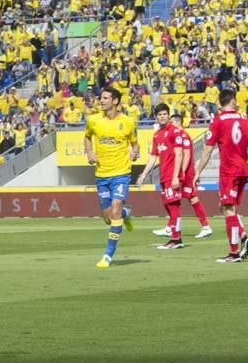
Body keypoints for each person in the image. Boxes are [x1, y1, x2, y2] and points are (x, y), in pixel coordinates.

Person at [195, 89, 248, 263]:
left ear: (220, 103)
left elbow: (208, 149)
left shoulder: (218, 121)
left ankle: (234, 253)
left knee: (228, 209)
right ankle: (243, 237)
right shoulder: (245, 120)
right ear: (233, 101)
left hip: (228, 171)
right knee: (225, 206)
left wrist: (197, 172)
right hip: (243, 170)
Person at [84, 86, 139, 268]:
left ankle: (108, 255)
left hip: (121, 174)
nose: (101, 100)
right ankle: (126, 212)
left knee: (114, 210)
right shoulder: (93, 121)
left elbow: (135, 144)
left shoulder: (128, 122)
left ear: (115, 101)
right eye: (101, 98)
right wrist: (90, 153)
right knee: (108, 218)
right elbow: (87, 137)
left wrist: (134, 153)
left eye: (105, 98)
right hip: (102, 175)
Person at [154, 112, 212, 239]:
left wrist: (183, 172)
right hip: (180, 172)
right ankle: (171, 227)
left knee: (190, 199)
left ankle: (205, 226)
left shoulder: (183, 136)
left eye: (172, 122)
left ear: (178, 122)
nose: (170, 124)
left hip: (185, 173)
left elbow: (185, 155)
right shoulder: (175, 135)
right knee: (174, 198)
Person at [136, 103, 186, 249]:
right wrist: (144, 174)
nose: (162, 117)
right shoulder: (157, 135)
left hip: (173, 175)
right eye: (159, 115)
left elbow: (179, 154)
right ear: (156, 117)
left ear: (168, 115)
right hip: (164, 176)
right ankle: (176, 237)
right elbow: (153, 156)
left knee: (174, 205)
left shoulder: (174, 132)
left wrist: (176, 176)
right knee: (168, 206)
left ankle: (176, 239)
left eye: (165, 114)